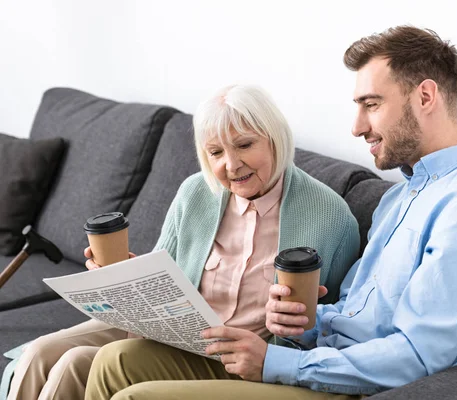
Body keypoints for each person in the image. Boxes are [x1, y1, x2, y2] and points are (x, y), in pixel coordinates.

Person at [83, 25, 457, 400]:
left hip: (357, 387)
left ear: (425, 96)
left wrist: (280, 360)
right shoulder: (403, 198)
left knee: (133, 396)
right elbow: (354, 314)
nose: (357, 127)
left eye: (371, 105)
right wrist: (305, 323)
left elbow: (418, 356)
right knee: (116, 362)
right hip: (320, 359)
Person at [5, 84, 360, 400]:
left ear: (275, 137)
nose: (231, 165)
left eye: (244, 145)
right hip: (172, 328)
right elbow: (164, 270)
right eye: (216, 152)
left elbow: (337, 323)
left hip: (234, 353)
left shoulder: (330, 216)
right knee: (39, 353)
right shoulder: (195, 193)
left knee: (75, 363)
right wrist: (120, 278)